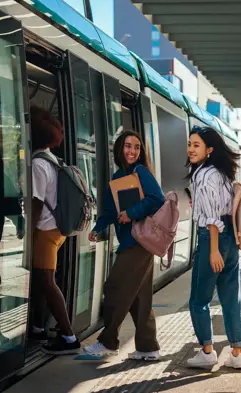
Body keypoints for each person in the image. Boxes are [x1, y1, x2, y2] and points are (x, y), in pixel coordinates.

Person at [83, 130, 164, 360]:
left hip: (139, 241)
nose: (132, 151)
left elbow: (156, 198)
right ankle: (149, 348)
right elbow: (109, 210)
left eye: (137, 147)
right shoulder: (118, 177)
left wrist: (131, 212)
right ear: (120, 149)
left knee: (114, 288)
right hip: (133, 241)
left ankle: (108, 342)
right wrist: (98, 228)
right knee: (139, 297)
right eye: (128, 146)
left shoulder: (141, 172)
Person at [185, 126, 241, 370]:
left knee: (198, 299)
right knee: (231, 298)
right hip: (230, 238)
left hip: (214, 238)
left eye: (196, 145)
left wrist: (212, 250)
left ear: (209, 150)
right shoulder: (222, 174)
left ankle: (207, 351)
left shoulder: (203, 175)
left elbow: (212, 219)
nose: (190, 149)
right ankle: (237, 354)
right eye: (190, 144)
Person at [29, 106, 81, 355]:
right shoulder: (51, 159)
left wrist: (28, 234)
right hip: (56, 230)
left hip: (45, 231)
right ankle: (38, 327)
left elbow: (36, 202)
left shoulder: (38, 164)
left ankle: (69, 336)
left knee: (47, 282)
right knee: (41, 279)